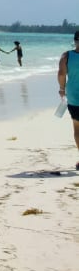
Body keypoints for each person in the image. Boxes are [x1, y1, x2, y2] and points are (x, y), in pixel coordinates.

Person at [56, 31, 79, 170]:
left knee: (77, 128)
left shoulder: (67, 56)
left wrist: (62, 89)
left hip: (74, 98)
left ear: (75, 40)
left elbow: (61, 74)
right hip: (74, 98)